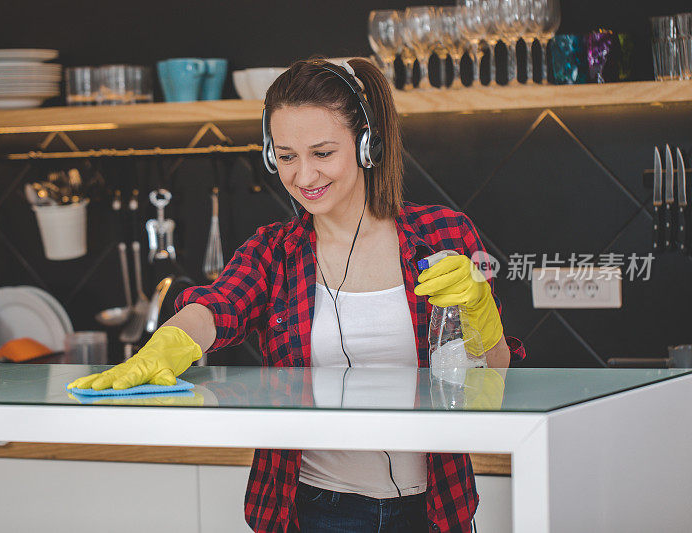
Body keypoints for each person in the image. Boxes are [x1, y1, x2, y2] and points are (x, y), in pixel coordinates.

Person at [69, 56, 525, 533]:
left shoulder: (443, 234)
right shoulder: (274, 251)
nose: (304, 176)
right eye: (286, 156)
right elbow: (216, 306)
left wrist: (479, 311)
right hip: (313, 509)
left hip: (434, 510)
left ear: (367, 145)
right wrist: (171, 342)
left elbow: (491, 379)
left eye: (322, 153)